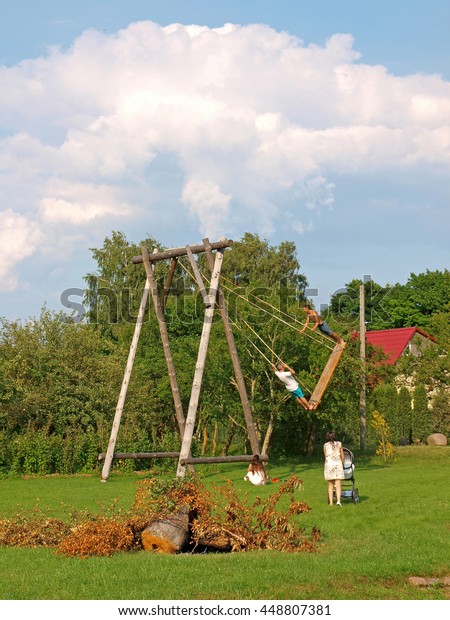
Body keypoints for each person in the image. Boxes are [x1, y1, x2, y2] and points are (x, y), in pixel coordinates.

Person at [323, 431, 345, 506]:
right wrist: (342, 464)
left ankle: (331, 503)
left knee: (330, 484)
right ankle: (338, 501)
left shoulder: (325, 445)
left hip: (329, 464)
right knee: (338, 484)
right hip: (338, 464)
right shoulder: (339, 444)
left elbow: (325, 456)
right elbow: (342, 456)